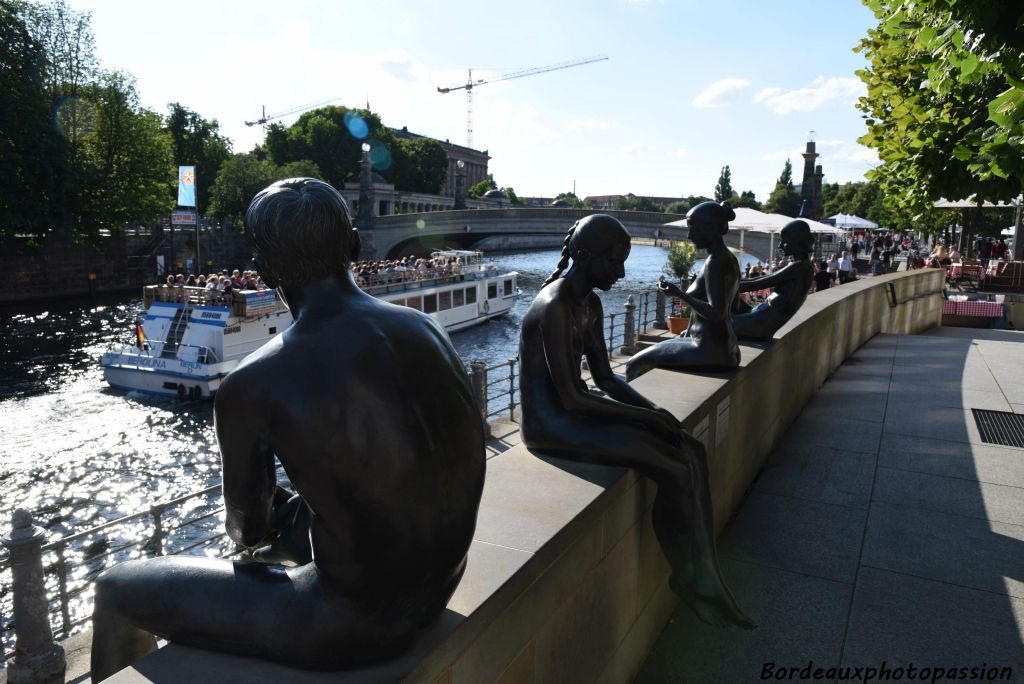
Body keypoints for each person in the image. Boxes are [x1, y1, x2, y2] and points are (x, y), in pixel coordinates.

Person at [90, 178, 486, 678]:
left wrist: (263, 512)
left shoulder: (254, 381)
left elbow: (247, 530)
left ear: (262, 266)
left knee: (116, 588)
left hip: (351, 623)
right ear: (354, 245)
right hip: (441, 586)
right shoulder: (425, 328)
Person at [518, 213, 754, 630]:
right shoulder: (554, 306)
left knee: (691, 449)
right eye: (614, 261)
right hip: (550, 425)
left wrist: (652, 413)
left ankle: (705, 572)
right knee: (670, 463)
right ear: (586, 256)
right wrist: (645, 418)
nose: (622, 272)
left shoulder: (588, 303)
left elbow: (606, 377)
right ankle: (693, 579)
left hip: (575, 413)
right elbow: (572, 398)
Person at [626, 201, 741, 380]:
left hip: (709, 351)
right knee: (666, 346)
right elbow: (734, 308)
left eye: (693, 229)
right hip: (729, 348)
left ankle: (637, 407)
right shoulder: (730, 259)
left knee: (633, 364)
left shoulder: (714, 263)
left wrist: (679, 294)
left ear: (710, 228)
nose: (689, 235)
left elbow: (716, 313)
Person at [730, 220, 816, 341]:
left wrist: (724, 285)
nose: (780, 245)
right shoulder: (800, 265)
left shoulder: (800, 267)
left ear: (796, 241)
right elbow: (763, 278)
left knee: (712, 321)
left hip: (759, 324)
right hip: (759, 314)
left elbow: (759, 283)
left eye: (784, 241)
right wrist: (730, 283)